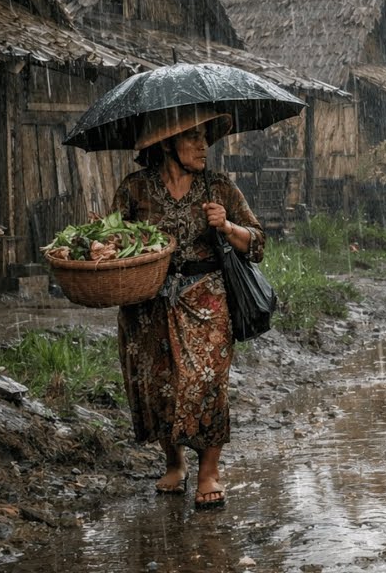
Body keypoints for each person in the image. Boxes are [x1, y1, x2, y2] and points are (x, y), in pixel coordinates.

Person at [111, 105, 265, 509]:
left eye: (205, 138)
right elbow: (110, 240)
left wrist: (228, 226)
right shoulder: (135, 189)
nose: (203, 146)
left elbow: (259, 244)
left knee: (208, 383)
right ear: (166, 143)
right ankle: (174, 462)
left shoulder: (220, 188)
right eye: (192, 137)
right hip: (147, 302)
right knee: (160, 383)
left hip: (206, 298)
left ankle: (209, 471)